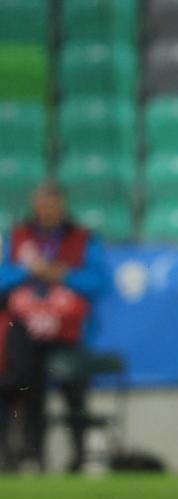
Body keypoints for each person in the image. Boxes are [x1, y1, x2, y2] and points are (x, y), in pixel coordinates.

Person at [0, 183, 108, 472]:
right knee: (30, 395)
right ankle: (32, 457)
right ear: (34, 205)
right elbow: (2, 278)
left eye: (52, 204)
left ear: (62, 205)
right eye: (42, 204)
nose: (47, 210)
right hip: (26, 335)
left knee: (76, 394)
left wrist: (65, 275)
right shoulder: (18, 236)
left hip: (70, 332)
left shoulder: (83, 238)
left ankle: (81, 457)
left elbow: (99, 282)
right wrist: (27, 270)